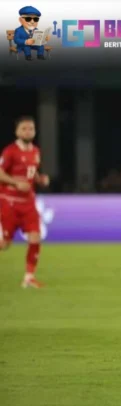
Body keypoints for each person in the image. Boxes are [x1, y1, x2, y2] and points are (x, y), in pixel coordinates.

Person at [0, 116, 50, 288]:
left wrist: (40, 179)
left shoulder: (35, 151)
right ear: (17, 132)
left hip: (28, 203)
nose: (28, 131)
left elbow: (31, 172)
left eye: (31, 129)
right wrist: (15, 183)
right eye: (24, 128)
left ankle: (29, 278)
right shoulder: (10, 151)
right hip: (10, 202)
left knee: (35, 238)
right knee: (5, 244)